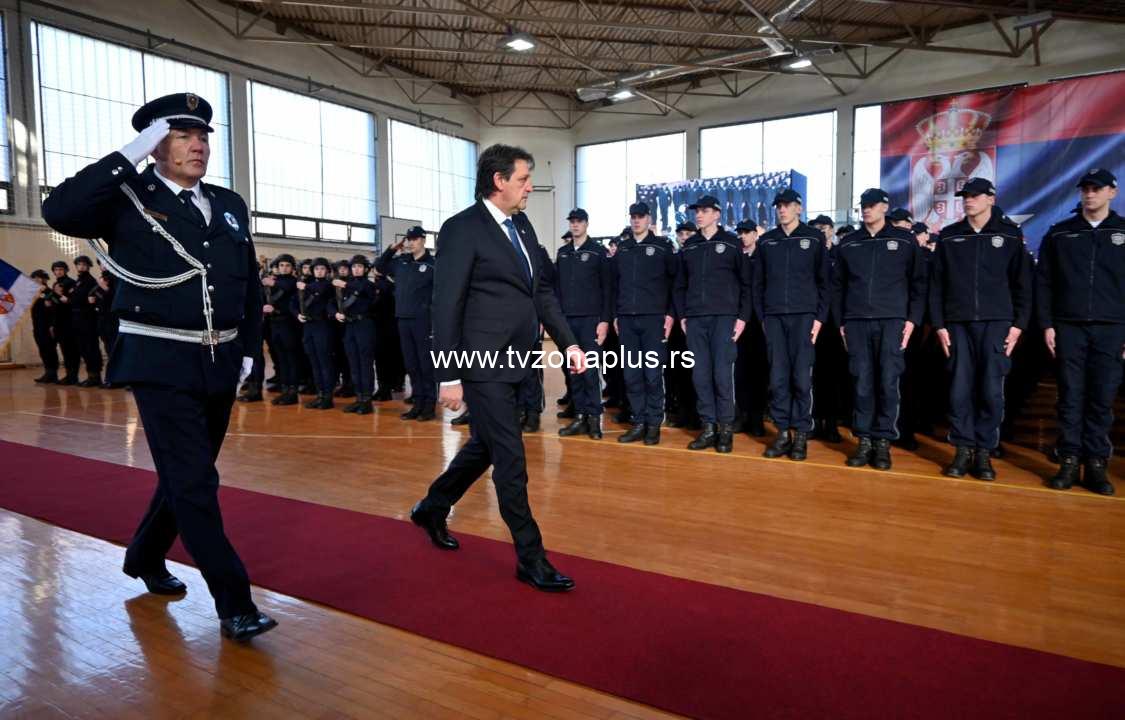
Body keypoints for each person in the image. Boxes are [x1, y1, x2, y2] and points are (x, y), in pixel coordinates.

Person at [41, 93, 276, 641]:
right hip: (159, 358)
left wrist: (248, 348)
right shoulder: (126, 197)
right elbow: (59, 212)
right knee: (195, 481)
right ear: (154, 145)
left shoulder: (228, 202)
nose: (198, 146)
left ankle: (145, 554)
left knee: (184, 475)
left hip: (220, 357)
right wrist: (129, 155)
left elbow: (246, 281)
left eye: (203, 136)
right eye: (181, 136)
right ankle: (235, 603)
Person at [410, 144, 585, 592]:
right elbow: (446, 304)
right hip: (480, 363)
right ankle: (531, 557)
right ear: (498, 180)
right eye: (523, 179)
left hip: (519, 359)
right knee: (511, 458)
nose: (530, 187)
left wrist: (569, 342)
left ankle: (433, 506)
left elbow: (540, 292)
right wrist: (448, 375)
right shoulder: (462, 229)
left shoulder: (521, 224)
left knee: (486, 445)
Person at [930, 177, 1032, 481]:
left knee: (991, 390)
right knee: (959, 390)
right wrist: (939, 324)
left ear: (991, 198)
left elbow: (1023, 285)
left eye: (975, 196)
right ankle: (962, 449)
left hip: (997, 323)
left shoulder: (1009, 235)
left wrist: (1018, 325)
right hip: (958, 324)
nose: (969, 200)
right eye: (965, 196)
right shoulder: (950, 236)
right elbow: (937, 285)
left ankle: (984, 451)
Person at [1037, 168, 1124, 495]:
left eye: (1097, 188)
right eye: (1086, 189)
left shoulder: (1122, 231)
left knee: (1102, 397)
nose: (1090, 194)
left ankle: (1096, 463)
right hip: (1068, 326)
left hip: (1112, 328)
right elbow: (1044, 282)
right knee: (1070, 396)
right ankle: (1069, 459)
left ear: (1112, 192)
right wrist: (1047, 324)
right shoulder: (1060, 234)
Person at [832, 189, 926, 470]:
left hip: (892, 321)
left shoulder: (905, 240)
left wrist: (912, 320)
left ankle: (883, 441)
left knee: (888, 382)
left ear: (885, 207)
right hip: (856, 321)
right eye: (863, 205)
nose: (866, 209)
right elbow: (838, 286)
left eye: (872, 205)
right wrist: (841, 323)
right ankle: (864, 440)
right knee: (861, 383)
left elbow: (919, 283)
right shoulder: (849, 242)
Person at [752, 189, 830, 461]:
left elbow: (825, 282)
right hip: (774, 318)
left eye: (786, 205)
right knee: (778, 379)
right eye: (779, 206)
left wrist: (819, 318)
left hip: (804, 317)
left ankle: (801, 435)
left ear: (799, 207)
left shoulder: (814, 238)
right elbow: (757, 284)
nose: (782, 209)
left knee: (801, 378)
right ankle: (783, 433)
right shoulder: (767, 241)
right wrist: (763, 317)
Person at [674, 194, 752, 453]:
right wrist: (683, 316)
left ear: (717, 214)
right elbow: (680, 285)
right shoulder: (690, 245)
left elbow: (746, 284)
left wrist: (742, 318)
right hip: (696, 319)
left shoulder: (731, 243)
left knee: (722, 375)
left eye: (705, 211)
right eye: (697, 211)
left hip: (724, 318)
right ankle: (708, 427)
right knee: (700, 375)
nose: (699, 215)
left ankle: (725, 429)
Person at [612, 202, 678, 445]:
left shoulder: (662, 247)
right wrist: (615, 315)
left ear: (649, 219)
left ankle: (653, 424)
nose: (636, 220)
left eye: (640, 216)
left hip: (653, 320)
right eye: (633, 217)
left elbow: (675, 283)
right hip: (627, 320)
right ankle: (638, 421)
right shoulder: (623, 248)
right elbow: (614, 285)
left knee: (652, 375)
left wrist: (670, 314)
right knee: (631, 375)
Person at [555, 208, 612, 439]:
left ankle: (594, 419)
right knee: (574, 372)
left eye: (579, 221)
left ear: (587, 224)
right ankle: (579, 417)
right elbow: (557, 289)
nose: (575, 225)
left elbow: (608, 289)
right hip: (568, 321)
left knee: (590, 372)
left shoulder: (598, 252)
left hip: (591, 320)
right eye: (572, 221)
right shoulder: (563, 253)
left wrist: (604, 320)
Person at [376, 226, 437, 421]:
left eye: (415, 239)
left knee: (425, 365)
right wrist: (391, 249)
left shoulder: (433, 264)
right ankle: (417, 404)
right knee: (411, 364)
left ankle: (429, 406)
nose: (411, 243)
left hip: (423, 321)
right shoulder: (401, 262)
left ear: (423, 240)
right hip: (403, 320)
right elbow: (379, 266)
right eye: (408, 239)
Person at [734, 220, 768, 437]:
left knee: (760, 371)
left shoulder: (763, 256)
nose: (743, 236)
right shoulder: (736, 257)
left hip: (759, 322)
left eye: (747, 232)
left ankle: (757, 418)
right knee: (740, 371)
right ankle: (741, 415)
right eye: (740, 233)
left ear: (756, 234)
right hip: (739, 322)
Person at [334, 254, 378, 415]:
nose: (356, 269)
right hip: (350, 326)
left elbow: (364, 291)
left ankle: (367, 400)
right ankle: (359, 397)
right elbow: (334, 302)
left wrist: (345, 285)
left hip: (364, 326)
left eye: (359, 266)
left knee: (365, 364)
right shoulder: (348, 284)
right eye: (354, 267)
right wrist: (335, 313)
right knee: (353, 363)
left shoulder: (368, 285)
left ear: (366, 269)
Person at [295, 258, 337, 410]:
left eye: (322, 269)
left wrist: (305, 287)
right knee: (314, 362)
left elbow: (320, 292)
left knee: (324, 362)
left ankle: (328, 397)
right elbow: (294, 302)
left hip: (323, 326)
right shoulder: (308, 285)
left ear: (327, 271)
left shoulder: (328, 285)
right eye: (317, 269)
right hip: (309, 326)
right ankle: (320, 394)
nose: (319, 271)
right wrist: (297, 314)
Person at [263, 254, 301, 406]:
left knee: (291, 359)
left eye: (287, 265)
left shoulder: (293, 282)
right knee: (281, 359)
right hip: (275, 324)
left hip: (289, 325)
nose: (284, 268)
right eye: (281, 265)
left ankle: (292, 392)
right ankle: (285, 390)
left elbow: (287, 288)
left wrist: (273, 283)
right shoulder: (275, 281)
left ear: (292, 268)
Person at [70, 255, 104, 387]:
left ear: (88, 266)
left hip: (88, 319)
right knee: (83, 347)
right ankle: (90, 375)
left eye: (84, 265)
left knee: (91, 347)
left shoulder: (91, 281)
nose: (81, 267)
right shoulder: (78, 281)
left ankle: (95, 376)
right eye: (79, 264)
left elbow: (94, 299)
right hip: (77, 319)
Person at [30, 269, 60, 384]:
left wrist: (52, 325)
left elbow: (55, 308)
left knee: (49, 349)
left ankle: (53, 373)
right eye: (34, 278)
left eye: (38, 278)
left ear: (44, 279)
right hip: (37, 326)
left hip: (48, 327)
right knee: (42, 349)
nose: (36, 280)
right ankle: (48, 372)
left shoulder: (49, 292)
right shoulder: (34, 294)